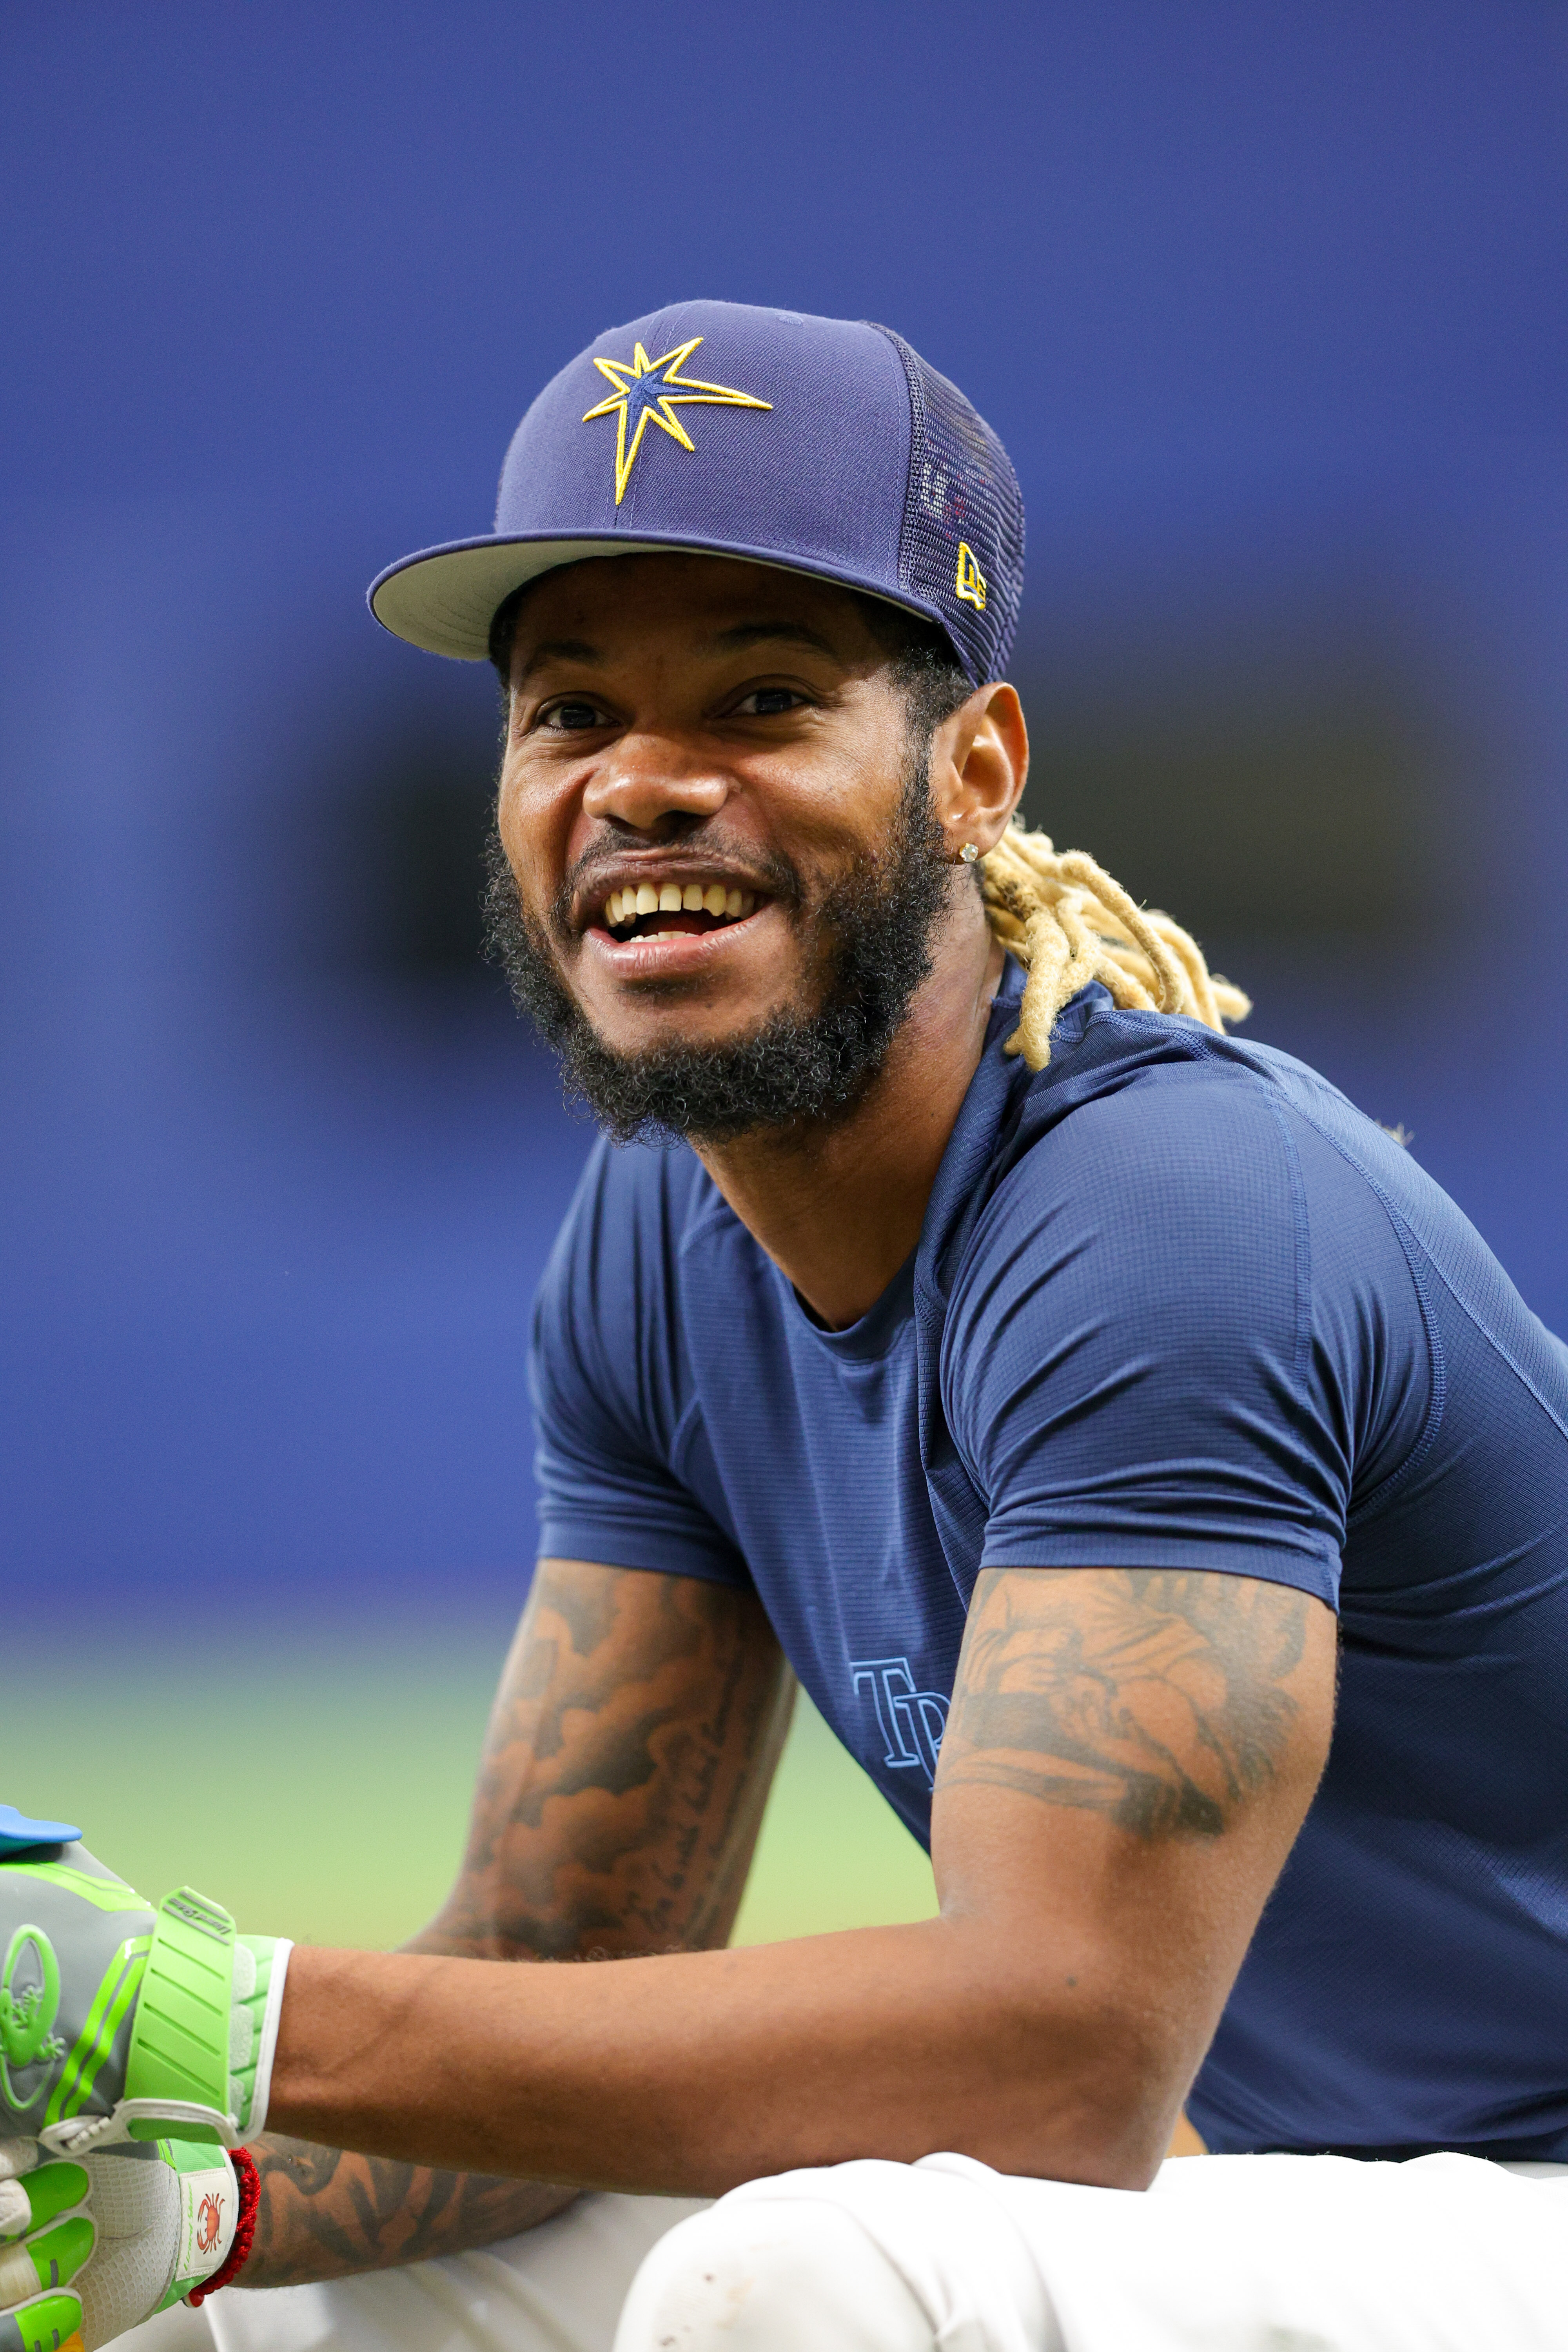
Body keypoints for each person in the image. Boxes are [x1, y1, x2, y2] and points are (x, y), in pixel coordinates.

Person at [3, 299, 1564, 2352]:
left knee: (807, 2282)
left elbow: (1059, 2051)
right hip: (1286, 2211)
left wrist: (196, 2011)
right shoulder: (668, 1241)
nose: (645, 783)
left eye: (759, 698)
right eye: (569, 714)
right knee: (204, 2298)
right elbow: (556, 1978)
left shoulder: (1165, 1215)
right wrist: (207, 2206)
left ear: (973, 772)